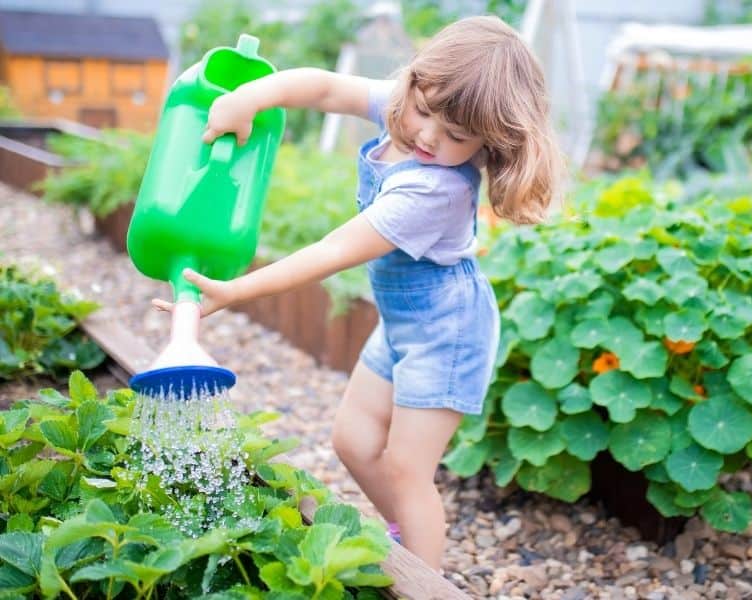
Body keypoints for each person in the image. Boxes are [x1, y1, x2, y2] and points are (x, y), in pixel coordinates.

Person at [153, 15, 563, 570]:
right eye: (424, 111)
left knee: (406, 468)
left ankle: (424, 578)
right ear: (417, 83)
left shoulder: (431, 188)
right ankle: (408, 540)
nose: (427, 136)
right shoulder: (407, 111)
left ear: (486, 142)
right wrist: (250, 97)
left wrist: (235, 290)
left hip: (448, 333)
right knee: (352, 441)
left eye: (457, 137)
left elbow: (331, 252)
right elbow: (323, 87)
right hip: (403, 324)